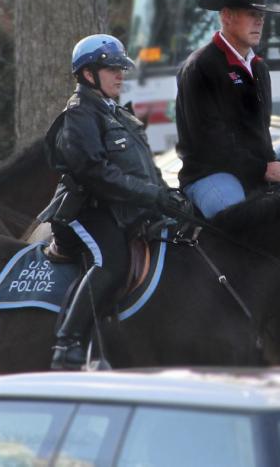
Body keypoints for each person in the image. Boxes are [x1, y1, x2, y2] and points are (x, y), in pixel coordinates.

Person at [42, 34, 188, 371]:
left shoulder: (116, 113)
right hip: (87, 209)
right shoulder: (80, 114)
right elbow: (95, 173)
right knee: (112, 262)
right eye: (112, 69)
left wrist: (164, 193)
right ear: (89, 74)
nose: (121, 75)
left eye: (121, 69)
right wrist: (150, 195)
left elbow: (142, 167)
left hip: (123, 207)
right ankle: (69, 343)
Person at [175, 0, 280, 219]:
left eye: (261, 16)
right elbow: (208, 140)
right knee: (241, 222)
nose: (259, 21)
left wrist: (273, 165)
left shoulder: (259, 68)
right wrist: (263, 169)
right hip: (208, 174)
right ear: (226, 16)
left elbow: (261, 132)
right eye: (251, 13)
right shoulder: (200, 66)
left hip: (255, 172)